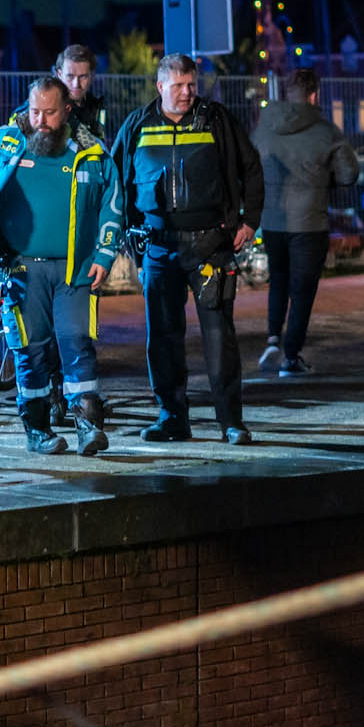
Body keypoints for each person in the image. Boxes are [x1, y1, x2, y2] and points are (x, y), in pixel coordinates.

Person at [0, 76, 121, 456]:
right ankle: (38, 429)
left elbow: (114, 199)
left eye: (49, 113)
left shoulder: (91, 150)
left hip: (74, 271)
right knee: (30, 350)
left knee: (77, 342)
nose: (41, 121)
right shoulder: (5, 141)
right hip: (20, 270)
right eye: (34, 112)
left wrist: (104, 254)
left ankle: (88, 424)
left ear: (66, 110)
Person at [111, 54, 263, 445]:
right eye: (177, 86)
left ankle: (231, 421)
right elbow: (117, 181)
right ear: (159, 86)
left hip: (210, 246)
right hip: (158, 249)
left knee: (219, 336)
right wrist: (124, 235)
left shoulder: (216, 120)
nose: (186, 93)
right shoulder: (137, 125)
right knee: (162, 336)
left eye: (191, 85)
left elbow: (252, 166)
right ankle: (172, 417)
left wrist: (250, 220)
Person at [251, 67, 359, 377]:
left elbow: (249, 166)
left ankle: (273, 338)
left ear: (287, 94)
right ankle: (291, 355)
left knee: (278, 280)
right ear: (314, 95)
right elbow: (349, 174)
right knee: (302, 290)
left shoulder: (264, 128)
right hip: (309, 223)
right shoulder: (327, 131)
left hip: (272, 220)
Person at [53, 43, 111, 142]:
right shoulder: (46, 106)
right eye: (70, 76)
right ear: (59, 74)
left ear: (92, 76)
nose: (76, 84)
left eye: (83, 76)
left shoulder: (96, 108)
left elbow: (99, 143)